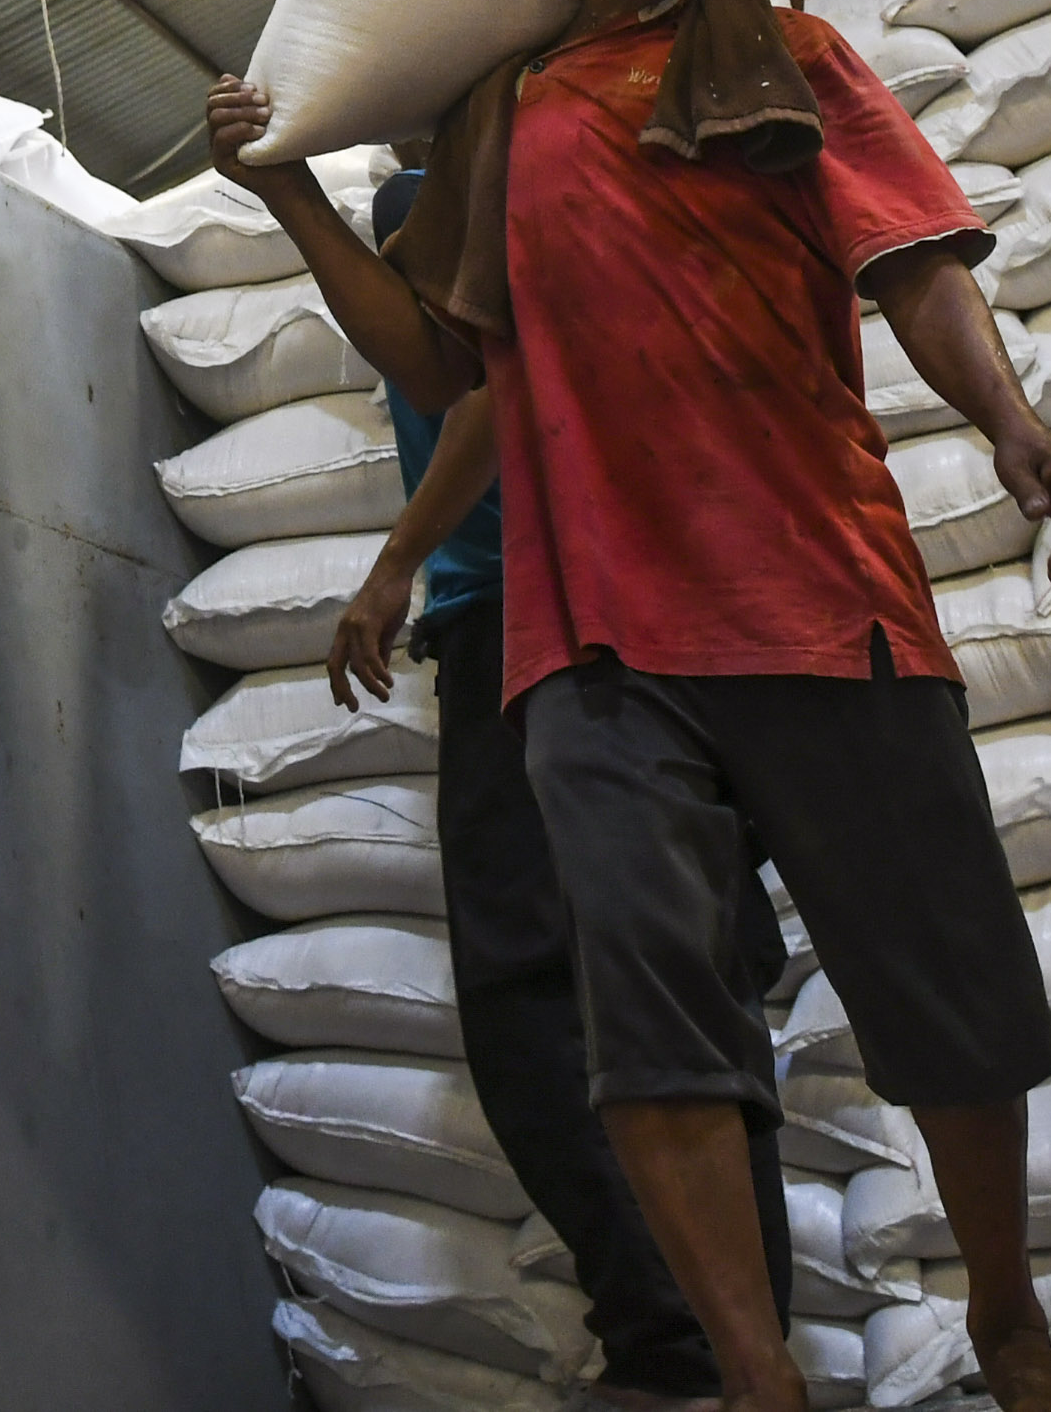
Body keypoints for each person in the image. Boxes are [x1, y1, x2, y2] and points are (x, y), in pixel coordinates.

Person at [207, 0, 1051, 1412]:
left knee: (952, 992)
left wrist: (1010, 421)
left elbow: (907, 259)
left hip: (820, 595)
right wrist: (283, 198)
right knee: (653, 1026)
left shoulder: (788, 55)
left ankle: (1007, 1326)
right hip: (594, 643)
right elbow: (447, 355)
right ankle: (755, 1377)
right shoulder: (497, 113)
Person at [324, 220, 791, 1409]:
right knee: (652, 991)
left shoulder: (498, 187)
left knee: (594, 992)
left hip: (572, 609)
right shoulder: (481, 192)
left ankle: (694, 1355)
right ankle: (724, 1353)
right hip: (617, 608)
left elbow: (484, 378)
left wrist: (393, 566)